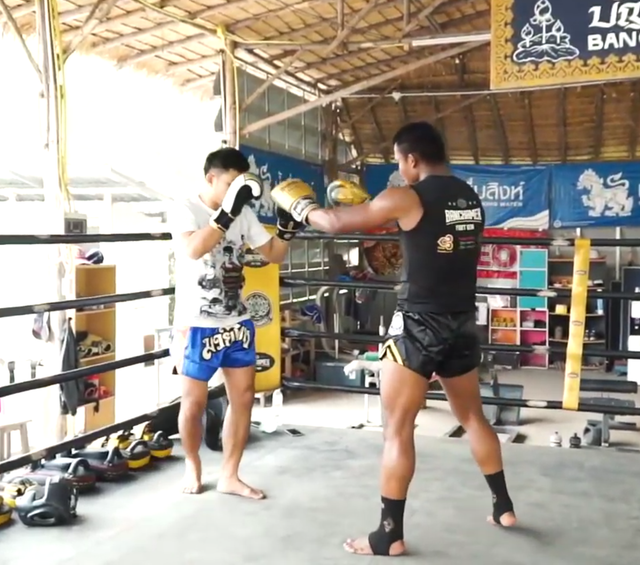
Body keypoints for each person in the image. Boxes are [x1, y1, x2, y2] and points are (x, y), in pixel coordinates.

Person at [271, 122, 516, 557]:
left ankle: (389, 534)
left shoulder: (406, 196)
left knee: (397, 429)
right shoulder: (469, 197)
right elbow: (429, 237)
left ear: (412, 159)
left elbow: (333, 222)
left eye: (401, 162)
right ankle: (503, 507)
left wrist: (299, 205)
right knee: (474, 417)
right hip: (461, 321)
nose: (401, 170)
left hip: (419, 324)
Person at [169, 147, 301, 498]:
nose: (235, 193)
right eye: (230, 184)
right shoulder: (186, 208)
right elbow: (193, 249)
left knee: (242, 399)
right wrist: (225, 214)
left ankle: (230, 475)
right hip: (196, 323)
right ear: (211, 178)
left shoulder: (243, 213)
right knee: (193, 404)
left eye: (240, 186)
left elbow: (273, 255)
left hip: (237, 321)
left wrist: (288, 228)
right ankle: (192, 464)